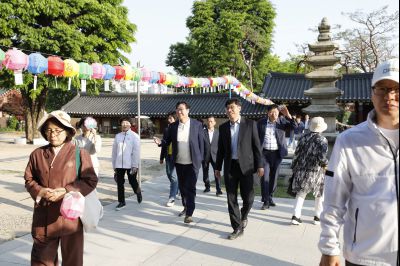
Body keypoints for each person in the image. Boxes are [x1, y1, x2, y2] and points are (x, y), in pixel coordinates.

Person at [319, 58, 399, 266]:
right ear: (372, 93)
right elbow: (333, 200)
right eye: (382, 89)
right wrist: (329, 247)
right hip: (365, 256)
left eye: (396, 88)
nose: (389, 96)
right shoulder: (350, 141)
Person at [24, 110, 98, 266]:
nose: (53, 134)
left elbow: (90, 179)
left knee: (72, 260)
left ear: (68, 132)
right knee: (41, 259)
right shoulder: (37, 154)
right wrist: (40, 191)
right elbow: (29, 179)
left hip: (70, 216)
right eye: (49, 130)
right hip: (44, 216)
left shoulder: (79, 153)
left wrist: (66, 190)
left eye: (58, 131)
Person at [215, 98, 264, 240]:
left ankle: (243, 215)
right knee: (231, 198)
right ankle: (237, 227)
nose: (229, 110)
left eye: (232, 107)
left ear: (239, 108)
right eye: (227, 108)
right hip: (230, 167)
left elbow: (256, 147)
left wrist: (260, 165)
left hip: (247, 167)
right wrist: (218, 167)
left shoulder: (250, 124)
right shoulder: (223, 127)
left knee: (248, 198)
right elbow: (221, 150)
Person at [154, 101, 204, 224]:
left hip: (192, 163)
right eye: (177, 109)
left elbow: (202, 144)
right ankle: (185, 206)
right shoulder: (173, 126)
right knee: (182, 188)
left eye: (181, 109)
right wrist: (160, 143)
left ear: (188, 110)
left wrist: (201, 159)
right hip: (179, 162)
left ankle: (189, 213)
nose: (179, 111)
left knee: (190, 188)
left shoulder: (196, 125)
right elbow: (167, 141)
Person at [289, 117, 328, 225]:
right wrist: (327, 167)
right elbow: (322, 158)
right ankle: (317, 217)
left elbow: (296, 154)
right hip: (316, 171)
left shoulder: (303, 138)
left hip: (301, 170)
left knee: (301, 193)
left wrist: (294, 167)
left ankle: (295, 217)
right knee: (319, 194)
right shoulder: (322, 140)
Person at [257, 104, 297, 210]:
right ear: (268, 113)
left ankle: (270, 197)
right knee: (265, 177)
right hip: (264, 154)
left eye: (276, 112)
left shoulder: (282, 121)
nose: (275, 114)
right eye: (272, 112)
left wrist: (288, 115)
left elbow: (295, 127)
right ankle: (265, 200)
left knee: (274, 177)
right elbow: (256, 139)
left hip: (277, 154)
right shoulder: (261, 123)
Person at [112, 117, 142, 210]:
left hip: (131, 164)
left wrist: (135, 165)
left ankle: (138, 192)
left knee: (132, 181)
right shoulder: (118, 136)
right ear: (121, 124)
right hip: (119, 164)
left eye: (127, 123)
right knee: (119, 183)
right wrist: (114, 165)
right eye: (123, 123)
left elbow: (136, 152)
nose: (125, 124)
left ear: (130, 124)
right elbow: (114, 152)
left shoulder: (135, 136)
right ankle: (121, 201)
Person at [159, 111, 179, 207]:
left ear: (175, 119)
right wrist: (161, 157)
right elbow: (164, 144)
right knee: (169, 174)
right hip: (168, 155)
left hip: (176, 156)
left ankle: (172, 196)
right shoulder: (167, 130)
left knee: (174, 176)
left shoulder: (179, 129)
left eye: (171, 118)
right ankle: (176, 188)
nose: (169, 120)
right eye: (168, 118)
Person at [202, 116, 223, 196]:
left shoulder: (218, 132)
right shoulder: (202, 132)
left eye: (211, 121)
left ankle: (218, 190)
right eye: (208, 121)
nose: (209, 123)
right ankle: (207, 186)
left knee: (217, 173)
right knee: (205, 174)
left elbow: (221, 145)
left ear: (214, 122)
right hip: (205, 156)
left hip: (215, 156)